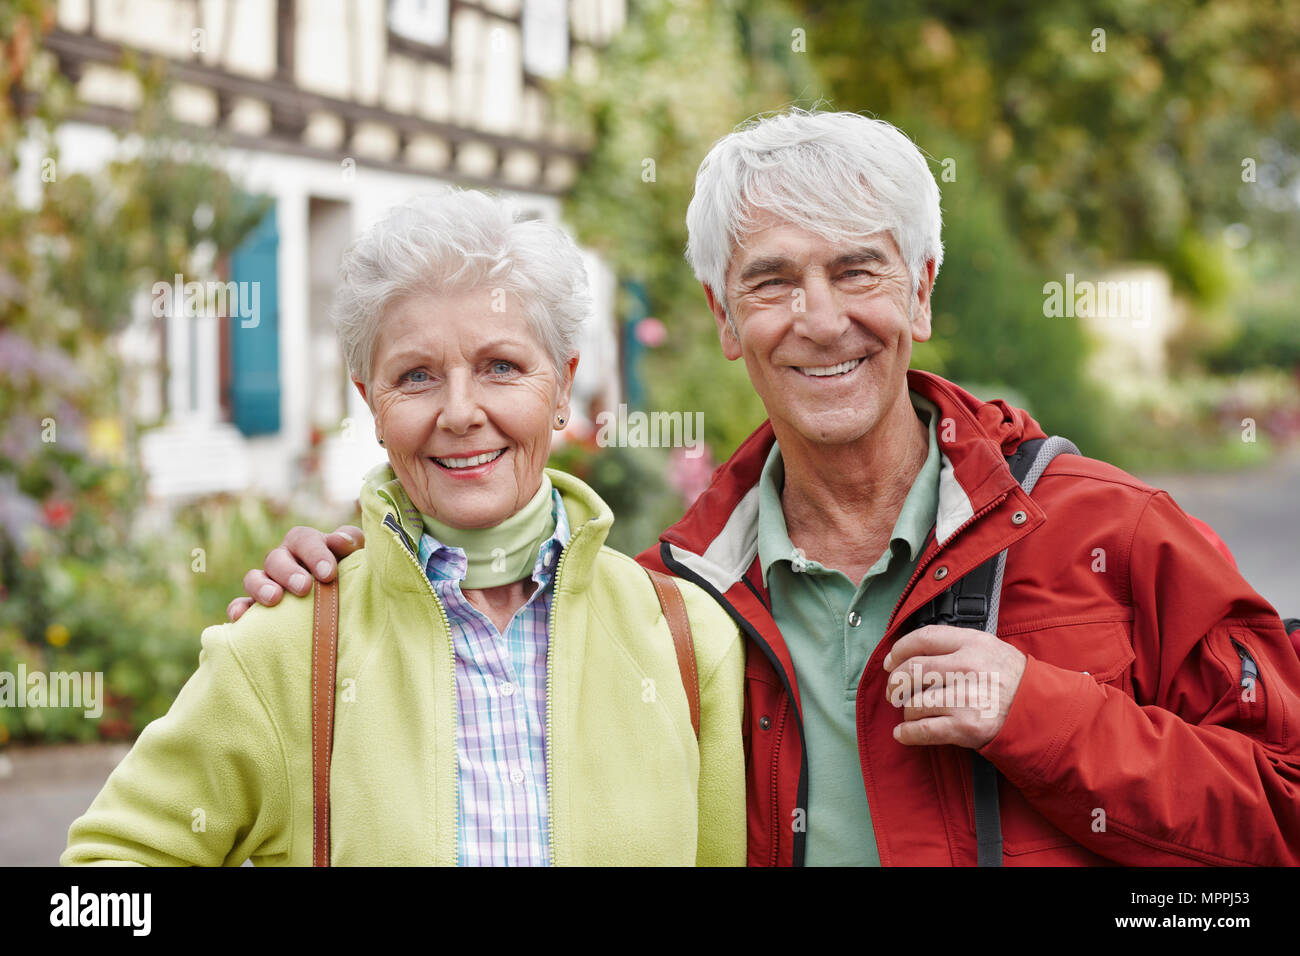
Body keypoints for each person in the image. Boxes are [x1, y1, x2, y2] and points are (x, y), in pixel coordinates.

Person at [230, 110, 1300, 866]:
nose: (820, 319)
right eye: (773, 280)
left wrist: (1042, 713)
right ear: (724, 317)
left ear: (921, 291)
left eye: (858, 270)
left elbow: (1283, 806)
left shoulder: (1109, 530)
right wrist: (352, 581)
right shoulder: (666, 608)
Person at [63, 189, 745, 867]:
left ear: (562, 386)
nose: (460, 412)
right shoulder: (286, 646)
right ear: (372, 404)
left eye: (500, 367)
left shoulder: (685, 642)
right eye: (417, 376)